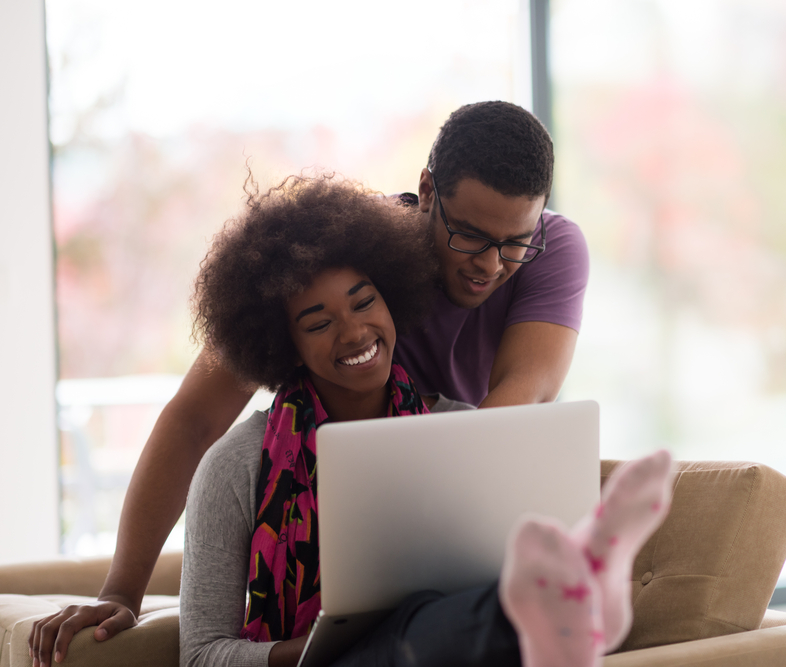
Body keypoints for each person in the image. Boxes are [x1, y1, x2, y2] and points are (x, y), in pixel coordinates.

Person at [28, 101, 590, 666]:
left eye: (514, 241)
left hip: (440, 503)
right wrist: (121, 591)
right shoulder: (340, 258)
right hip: (324, 510)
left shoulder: (550, 251)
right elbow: (196, 419)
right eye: (469, 235)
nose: (490, 265)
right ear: (426, 191)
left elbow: (527, 398)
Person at [164, 174, 666, 666]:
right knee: (413, 629)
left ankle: (568, 596)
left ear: (394, 300)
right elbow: (203, 655)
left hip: (449, 647)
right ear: (285, 347)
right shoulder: (235, 466)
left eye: (365, 302)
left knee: (443, 616)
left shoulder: (459, 429)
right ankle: (571, 600)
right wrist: (317, 649)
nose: (355, 332)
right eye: (319, 324)